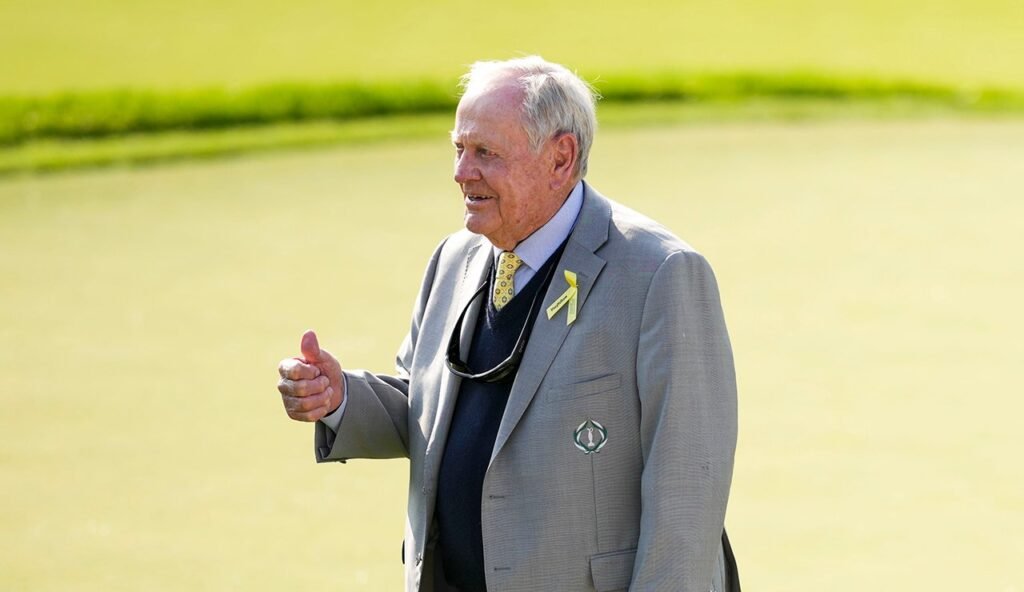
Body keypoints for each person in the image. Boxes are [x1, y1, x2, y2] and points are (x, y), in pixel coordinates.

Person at [277, 56, 739, 592]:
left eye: (485, 153)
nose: (461, 172)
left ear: (561, 158)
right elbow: (426, 407)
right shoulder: (453, 258)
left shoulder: (661, 273)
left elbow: (687, 492)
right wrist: (340, 400)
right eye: (458, 148)